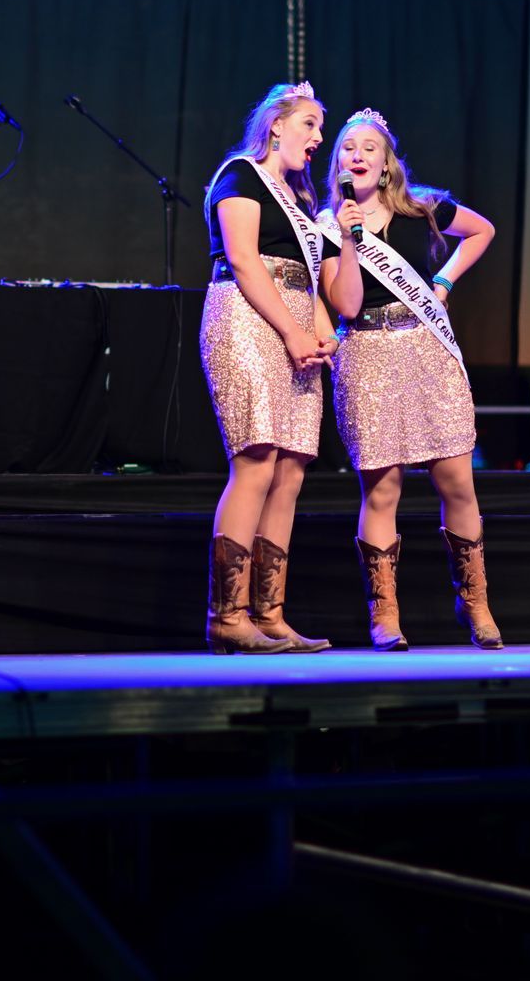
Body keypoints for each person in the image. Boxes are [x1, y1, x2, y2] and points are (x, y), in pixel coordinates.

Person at [316, 108, 502, 650]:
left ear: (387, 162)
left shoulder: (423, 208)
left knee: (457, 482)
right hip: (368, 355)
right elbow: (346, 303)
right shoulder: (328, 227)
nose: (358, 154)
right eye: (348, 147)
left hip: (427, 348)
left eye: (370, 147)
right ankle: (385, 616)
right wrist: (351, 239)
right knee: (382, 490)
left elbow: (481, 231)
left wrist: (442, 281)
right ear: (338, 163)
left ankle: (476, 604)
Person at [198, 80, 356, 654]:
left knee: (290, 471)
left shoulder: (299, 200)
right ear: (275, 125)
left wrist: (319, 329)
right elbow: (243, 259)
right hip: (247, 319)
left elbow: (306, 276)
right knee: (257, 461)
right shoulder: (239, 173)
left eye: (321, 127)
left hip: (293, 326)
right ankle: (227, 616)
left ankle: (269, 615)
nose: (319, 138)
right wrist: (291, 330)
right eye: (310, 124)